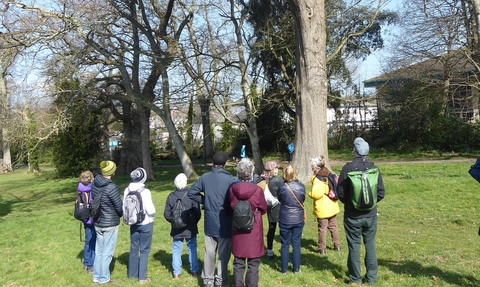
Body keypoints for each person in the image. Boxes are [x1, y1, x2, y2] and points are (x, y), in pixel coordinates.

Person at [337, 137, 385, 285]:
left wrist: (351, 203)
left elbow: (340, 193)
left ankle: (355, 279)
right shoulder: (374, 168)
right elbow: (381, 192)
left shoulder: (348, 168)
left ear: (354, 151)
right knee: (370, 245)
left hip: (352, 216)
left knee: (354, 246)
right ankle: (371, 278)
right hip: (370, 215)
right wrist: (370, 204)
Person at [188, 151, 236, 287]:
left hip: (210, 220)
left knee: (209, 252)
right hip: (226, 220)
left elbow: (191, 193)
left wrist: (205, 200)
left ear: (213, 163)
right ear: (225, 164)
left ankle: (208, 280)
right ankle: (221, 280)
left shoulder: (205, 177)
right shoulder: (230, 180)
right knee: (223, 254)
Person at [228, 158, 268, 287]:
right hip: (253, 229)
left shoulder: (232, 190)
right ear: (251, 173)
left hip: (238, 229)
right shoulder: (257, 190)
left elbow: (229, 207)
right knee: (253, 262)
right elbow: (263, 208)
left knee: (238, 262)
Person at [164, 173, 201, 280]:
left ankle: (176, 273)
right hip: (190, 228)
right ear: (186, 183)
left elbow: (166, 214)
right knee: (192, 248)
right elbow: (197, 213)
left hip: (176, 229)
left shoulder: (171, 196)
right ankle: (194, 271)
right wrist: (193, 222)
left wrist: (174, 221)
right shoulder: (191, 196)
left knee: (176, 249)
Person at [91, 160, 123, 285]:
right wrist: (121, 215)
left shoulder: (95, 183)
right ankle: (104, 278)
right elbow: (119, 207)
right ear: (112, 172)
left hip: (98, 222)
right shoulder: (111, 187)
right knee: (107, 252)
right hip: (109, 223)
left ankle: (96, 277)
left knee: (99, 250)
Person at [124, 167, 156, 284]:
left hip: (133, 223)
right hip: (145, 223)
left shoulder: (126, 190)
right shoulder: (145, 191)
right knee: (144, 250)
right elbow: (151, 210)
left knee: (133, 248)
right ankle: (142, 278)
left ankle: (132, 275)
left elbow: (125, 208)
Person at [308, 156, 341, 255]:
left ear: (316, 168)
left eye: (312, 166)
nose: (311, 168)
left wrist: (309, 193)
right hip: (332, 205)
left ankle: (321, 248)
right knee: (333, 226)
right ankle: (337, 245)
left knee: (322, 228)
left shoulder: (318, 179)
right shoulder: (329, 173)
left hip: (323, 208)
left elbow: (316, 194)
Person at [276, 164, 305, 274]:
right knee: (296, 243)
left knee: (285, 244)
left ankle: (284, 269)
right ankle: (296, 269)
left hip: (285, 217)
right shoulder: (301, 187)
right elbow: (302, 199)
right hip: (297, 217)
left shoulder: (282, 187)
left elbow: (279, 198)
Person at [256, 161, 282, 259]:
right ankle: (283, 251)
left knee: (271, 229)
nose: (277, 170)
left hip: (270, 208)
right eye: (275, 168)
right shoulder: (279, 181)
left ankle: (269, 251)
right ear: (271, 170)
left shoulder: (262, 181)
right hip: (280, 207)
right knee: (282, 230)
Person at [77, 170, 95, 274]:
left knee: (88, 241)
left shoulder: (80, 188)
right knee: (93, 242)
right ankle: (90, 265)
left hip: (84, 217)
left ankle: (86, 263)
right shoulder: (91, 189)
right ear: (91, 178)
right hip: (91, 218)